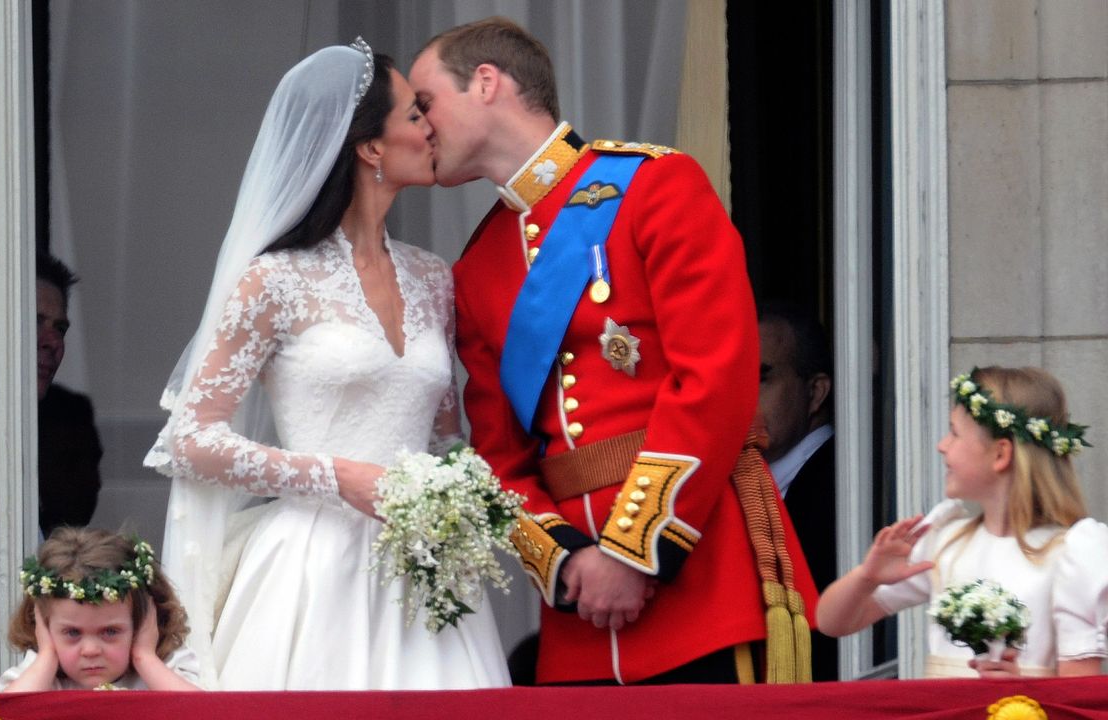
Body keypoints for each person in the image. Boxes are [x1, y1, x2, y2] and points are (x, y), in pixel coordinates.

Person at [410, 17, 816, 685]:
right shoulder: (477, 267)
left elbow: (715, 378)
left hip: (701, 581)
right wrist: (567, 562)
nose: (420, 127)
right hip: (582, 619)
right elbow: (498, 458)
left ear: (486, 83)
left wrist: (632, 551)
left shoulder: (656, 185)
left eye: (426, 103)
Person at [144, 39, 509, 690]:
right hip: (313, 568)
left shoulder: (431, 278)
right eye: (414, 116)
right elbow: (192, 440)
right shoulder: (272, 282)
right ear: (370, 146)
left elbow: (444, 438)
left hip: (425, 574)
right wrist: (336, 475)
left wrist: (459, 497)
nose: (431, 129)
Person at [817, 367, 1108, 678]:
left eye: (954, 432)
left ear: (1001, 454)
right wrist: (867, 576)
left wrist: (1020, 689)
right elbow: (832, 623)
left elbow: (1079, 696)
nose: (942, 445)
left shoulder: (1070, 554)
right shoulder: (946, 542)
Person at [0, 527, 201, 691]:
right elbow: (3, 714)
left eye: (110, 631)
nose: (91, 650)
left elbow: (205, 713)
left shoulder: (167, 668)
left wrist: (145, 658)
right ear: (43, 627)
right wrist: (47, 657)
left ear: (142, 624)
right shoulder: (39, 676)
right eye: (72, 632)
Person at [757, 302, 837, 680]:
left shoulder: (841, 486)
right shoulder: (740, 480)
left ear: (816, 392)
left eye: (761, 378)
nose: (739, 395)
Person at [36, 253, 103, 536]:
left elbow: (74, 517)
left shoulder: (71, 416)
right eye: (35, 321)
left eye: (60, 329)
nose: (52, 342)